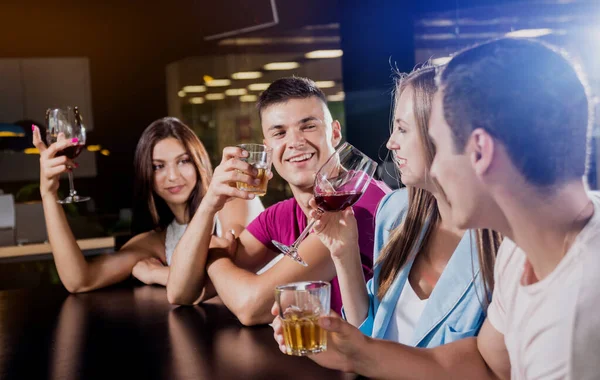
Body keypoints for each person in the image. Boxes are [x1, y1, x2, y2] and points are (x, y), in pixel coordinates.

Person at [272, 38, 600, 379]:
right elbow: (486, 361)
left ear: (480, 153)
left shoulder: (572, 329)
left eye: (439, 147)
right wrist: (356, 351)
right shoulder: (523, 247)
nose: (436, 171)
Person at [303, 65, 501, 347]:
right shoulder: (395, 212)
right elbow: (369, 337)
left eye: (403, 129)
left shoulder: (501, 243)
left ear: (446, 135)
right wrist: (343, 252)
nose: (390, 142)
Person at [166, 77, 390, 325]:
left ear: (335, 132)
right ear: (267, 147)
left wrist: (214, 256)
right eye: (279, 132)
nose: (295, 142)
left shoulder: (357, 204)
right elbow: (181, 291)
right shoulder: (282, 213)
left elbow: (251, 306)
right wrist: (210, 204)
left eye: (308, 126)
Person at [33, 117, 263, 292]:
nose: (173, 176)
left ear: (198, 162)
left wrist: (158, 274)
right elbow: (80, 280)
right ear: (146, 175)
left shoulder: (230, 199)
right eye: (158, 167)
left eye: (183, 161)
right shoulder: (158, 241)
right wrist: (48, 193)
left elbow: (236, 270)